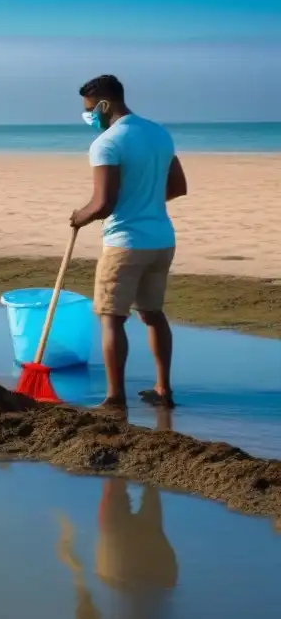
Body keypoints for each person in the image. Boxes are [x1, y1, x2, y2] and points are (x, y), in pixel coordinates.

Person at [69, 75, 187, 410]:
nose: (90, 116)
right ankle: (163, 390)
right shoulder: (158, 133)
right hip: (161, 240)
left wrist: (80, 216)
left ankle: (114, 397)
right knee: (152, 314)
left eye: (91, 110)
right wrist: (145, 200)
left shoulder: (107, 143)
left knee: (111, 317)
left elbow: (102, 202)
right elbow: (178, 186)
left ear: (105, 104)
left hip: (125, 243)